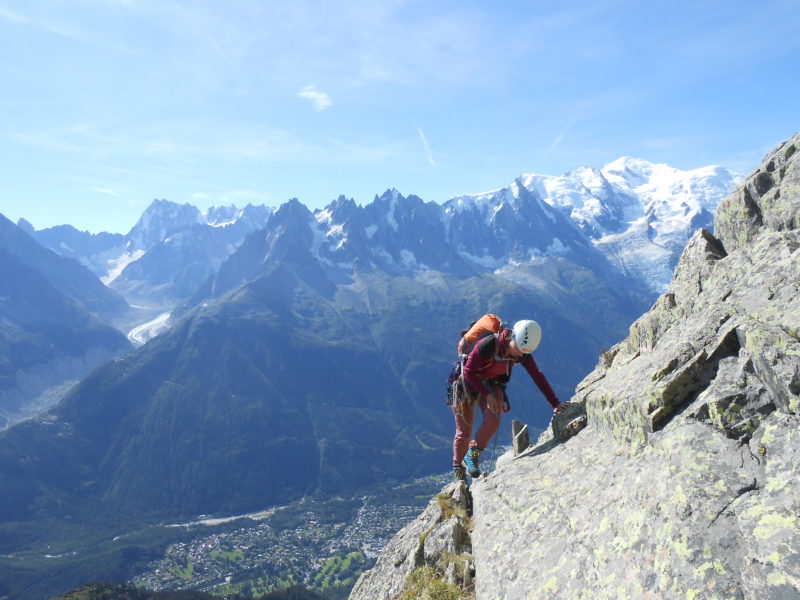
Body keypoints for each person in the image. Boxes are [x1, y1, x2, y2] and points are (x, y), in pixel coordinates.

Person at [452, 319, 565, 481]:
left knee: (493, 421)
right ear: (512, 338)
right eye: (519, 349)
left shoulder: (522, 354)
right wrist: (486, 394)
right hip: (467, 383)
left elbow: (537, 376)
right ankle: (458, 472)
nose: (520, 355)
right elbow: (469, 372)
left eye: (524, 352)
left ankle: (472, 454)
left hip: (492, 383)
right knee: (464, 432)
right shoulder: (488, 345)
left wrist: (555, 403)